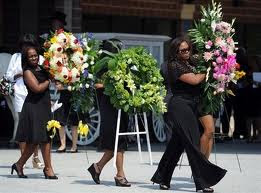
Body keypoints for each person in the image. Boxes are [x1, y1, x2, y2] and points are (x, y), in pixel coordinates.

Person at [151, 36, 226, 192]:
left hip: (193, 104)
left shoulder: (191, 62)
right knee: (192, 141)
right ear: (175, 52)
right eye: (182, 50)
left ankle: (163, 177)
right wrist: (208, 66)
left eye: (188, 49)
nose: (186, 52)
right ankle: (202, 182)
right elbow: (195, 80)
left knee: (177, 144)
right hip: (179, 105)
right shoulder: (173, 66)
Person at [87, 39, 131, 187]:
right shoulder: (101, 67)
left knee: (118, 144)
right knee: (116, 144)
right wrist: (112, 83)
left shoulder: (121, 66)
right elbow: (97, 85)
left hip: (121, 108)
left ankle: (97, 167)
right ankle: (119, 175)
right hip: (109, 109)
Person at [11, 41, 57, 179]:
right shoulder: (27, 72)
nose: (34, 58)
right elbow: (37, 88)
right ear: (26, 58)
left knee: (46, 138)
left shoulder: (42, 68)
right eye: (30, 56)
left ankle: (48, 169)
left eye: (35, 55)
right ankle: (20, 164)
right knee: (35, 141)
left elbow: (55, 78)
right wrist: (49, 80)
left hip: (44, 106)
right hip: (33, 107)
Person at [6, 34, 44, 169]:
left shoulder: (39, 57)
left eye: (30, 45)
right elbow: (8, 75)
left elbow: (45, 73)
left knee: (36, 127)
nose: (27, 48)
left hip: (36, 95)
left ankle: (35, 157)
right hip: (20, 93)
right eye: (24, 46)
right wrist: (20, 73)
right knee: (23, 127)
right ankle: (23, 156)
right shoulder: (15, 57)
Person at [44, 11, 78, 153]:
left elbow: (76, 55)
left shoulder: (69, 38)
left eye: (57, 22)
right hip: (57, 77)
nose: (54, 24)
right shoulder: (51, 39)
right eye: (53, 22)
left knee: (73, 114)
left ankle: (74, 145)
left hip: (70, 77)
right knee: (60, 114)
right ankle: (63, 144)